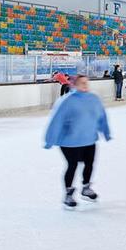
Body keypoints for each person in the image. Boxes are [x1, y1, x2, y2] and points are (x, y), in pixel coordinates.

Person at [43, 73, 111, 209]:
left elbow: (101, 116)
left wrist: (106, 131)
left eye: (87, 82)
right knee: (72, 165)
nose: (86, 85)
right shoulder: (66, 101)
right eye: (82, 83)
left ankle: (86, 188)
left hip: (89, 139)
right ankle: (68, 194)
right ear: (74, 85)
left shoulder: (93, 99)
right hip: (69, 142)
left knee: (89, 163)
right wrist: (50, 139)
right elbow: (56, 121)